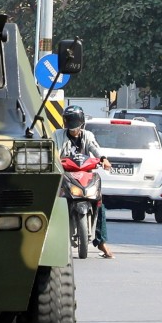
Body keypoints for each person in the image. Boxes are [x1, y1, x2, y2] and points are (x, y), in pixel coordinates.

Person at [54, 105, 115, 258]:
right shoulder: (58, 135)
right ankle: (52, 239)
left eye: (74, 121)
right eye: (69, 120)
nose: (72, 125)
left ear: (81, 122)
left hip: (86, 176)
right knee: (54, 202)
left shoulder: (87, 135)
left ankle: (101, 241)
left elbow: (95, 149)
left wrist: (103, 159)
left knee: (99, 202)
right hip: (66, 176)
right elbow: (54, 150)